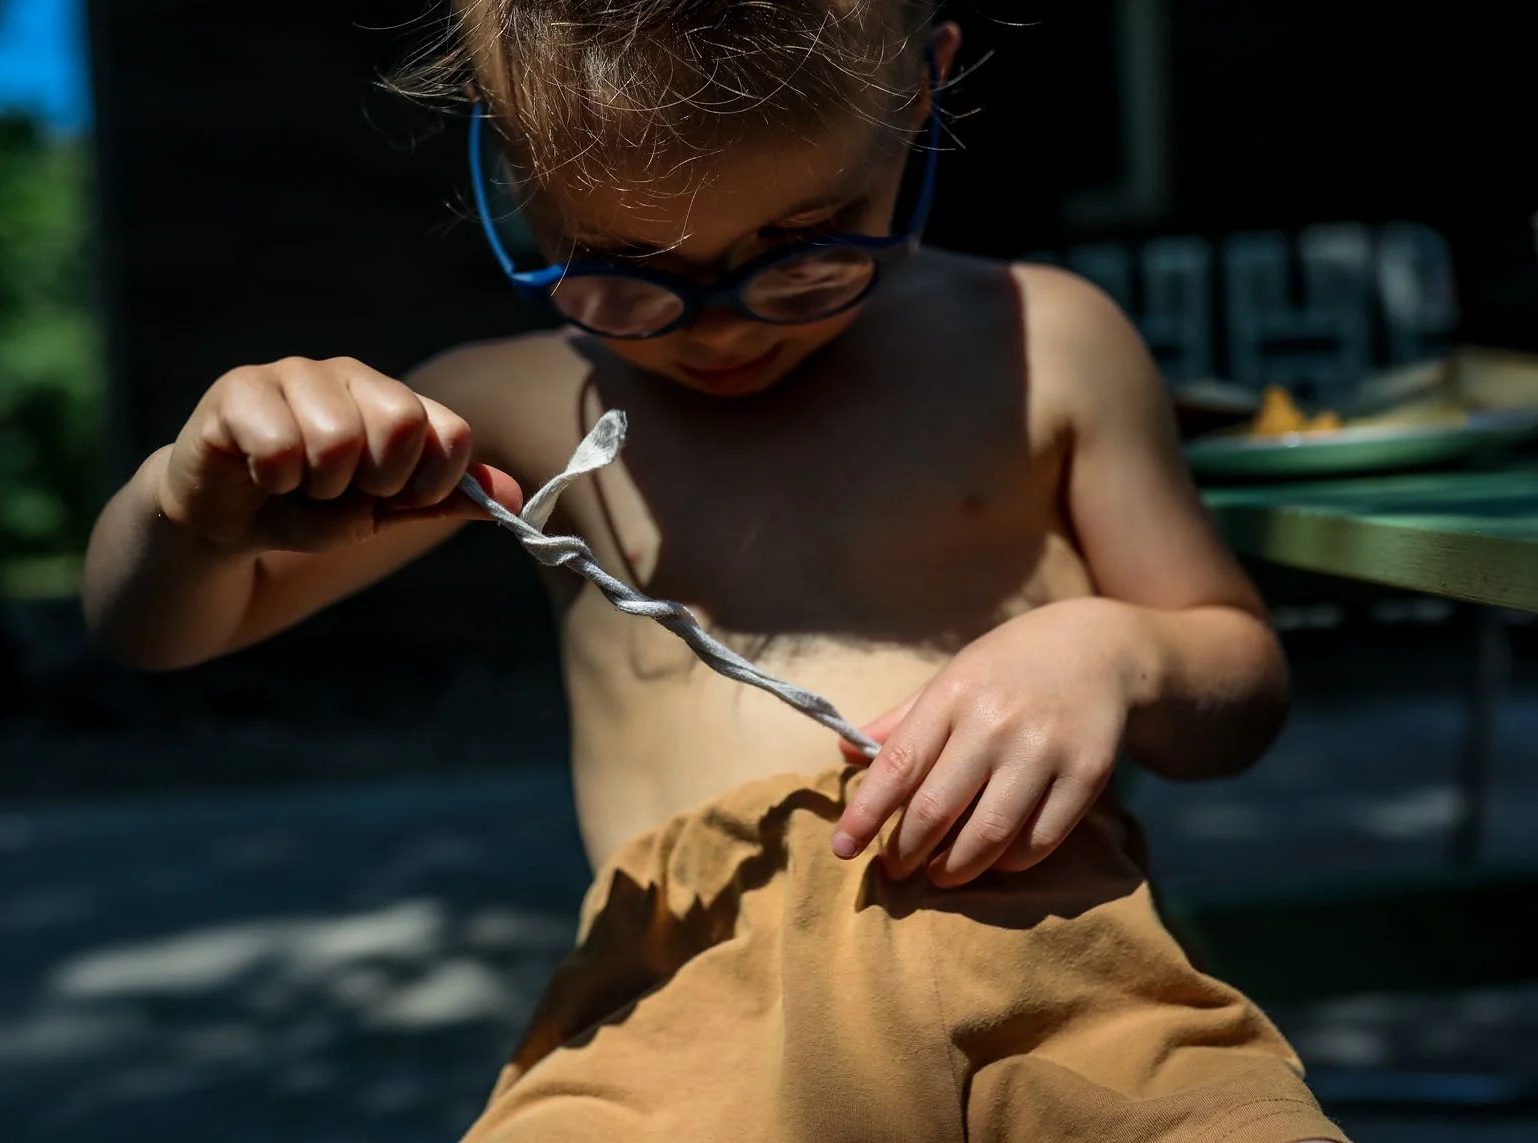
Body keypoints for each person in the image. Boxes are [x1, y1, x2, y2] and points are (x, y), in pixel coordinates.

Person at [82, 2, 1348, 1139]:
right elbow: (162, 631)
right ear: (512, 157)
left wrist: (1115, 652)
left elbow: (1235, 686)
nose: (718, 322)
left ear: (917, 95)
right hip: (674, 1016)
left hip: (1067, 980)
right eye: (623, 269)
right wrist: (191, 505)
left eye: (803, 245)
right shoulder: (505, 409)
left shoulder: (1043, 343)